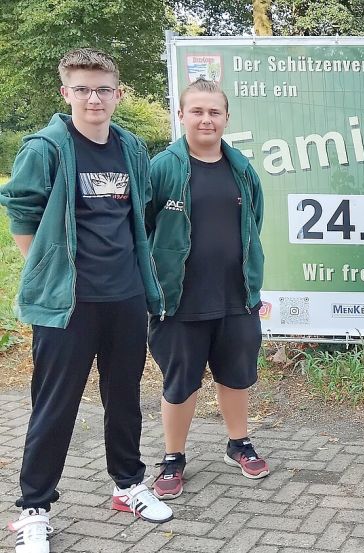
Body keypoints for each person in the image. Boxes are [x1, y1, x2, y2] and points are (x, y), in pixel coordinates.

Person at [0, 48, 173, 552]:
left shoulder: (130, 147)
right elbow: (22, 211)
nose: (93, 98)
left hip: (125, 298)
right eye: (82, 88)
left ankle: (127, 485)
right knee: (55, 406)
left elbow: (138, 210)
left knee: (123, 400)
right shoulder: (47, 148)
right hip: (67, 304)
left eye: (103, 89)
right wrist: (50, 269)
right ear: (66, 93)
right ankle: (34, 508)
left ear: (117, 93)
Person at [146, 78, 269, 500]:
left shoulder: (241, 168)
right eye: (196, 111)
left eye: (214, 112)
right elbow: (143, 230)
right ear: (181, 115)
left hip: (236, 298)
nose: (206, 119)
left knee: (236, 378)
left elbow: (255, 223)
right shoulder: (163, 167)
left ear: (226, 118)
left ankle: (239, 444)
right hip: (179, 302)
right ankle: (173, 458)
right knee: (180, 384)